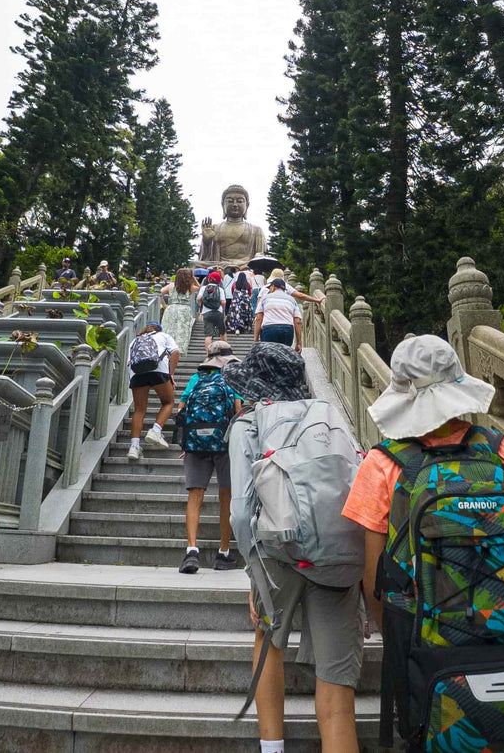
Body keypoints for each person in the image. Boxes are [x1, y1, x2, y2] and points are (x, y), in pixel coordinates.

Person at [341, 333, 504, 636]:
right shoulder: (500, 449)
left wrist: (394, 639)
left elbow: (374, 574)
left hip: (430, 642)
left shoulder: (382, 463)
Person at [229, 342, 359, 753]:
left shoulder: (249, 423)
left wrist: (254, 574)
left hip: (276, 552)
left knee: (269, 642)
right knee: (336, 676)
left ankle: (272, 747)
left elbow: (240, 512)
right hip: (337, 552)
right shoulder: (328, 416)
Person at [175, 340, 241, 574]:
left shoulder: (196, 379)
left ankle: (191, 550)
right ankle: (223, 553)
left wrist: (187, 440)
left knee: (195, 495)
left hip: (195, 444)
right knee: (226, 496)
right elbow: (238, 412)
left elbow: (181, 411)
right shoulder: (231, 380)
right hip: (224, 443)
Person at [126, 322, 180, 461]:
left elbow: (129, 362)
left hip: (137, 373)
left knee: (139, 410)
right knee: (168, 402)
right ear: (158, 329)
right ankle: (155, 431)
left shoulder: (134, 341)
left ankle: (134, 447)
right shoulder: (164, 336)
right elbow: (175, 352)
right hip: (159, 369)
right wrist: (171, 374)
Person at [252, 278, 302, 352]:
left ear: (273, 287)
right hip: (287, 330)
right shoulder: (292, 300)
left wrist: (256, 340)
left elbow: (259, 318)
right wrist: (299, 343)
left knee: (268, 355)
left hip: (269, 329)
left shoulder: (264, 298)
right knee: (284, 355)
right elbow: (297, 321)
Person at [159, 268, 199, 351]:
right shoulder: (189, 287)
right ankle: (179, 350)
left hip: (171, 308)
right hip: (184, 309)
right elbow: (199, 287)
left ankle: (167, 349)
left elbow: (160, 293)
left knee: (168, 329)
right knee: (182, 332)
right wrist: (193, 278)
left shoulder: (171, 286)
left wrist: (164, 305)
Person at [199, 270, 228, 354]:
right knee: (222, 333)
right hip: (218, 312)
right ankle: (224, 352)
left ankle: (208, 354)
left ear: (209, 279)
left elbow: (198, 298)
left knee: (208, 335)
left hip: (207, 313)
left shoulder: (203, 288)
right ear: (219, 281)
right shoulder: (220, 289)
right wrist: (223, 311)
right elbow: (223, 302)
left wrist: (201, 307)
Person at [227, 266, 255, 334]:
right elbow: (250, 293)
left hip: (235, 301)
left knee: (235, 314)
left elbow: (232, 292)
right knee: (246, 314)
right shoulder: (247, 284)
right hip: (245, 302)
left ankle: (236, 327)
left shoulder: (234, 284)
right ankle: (245, 327)